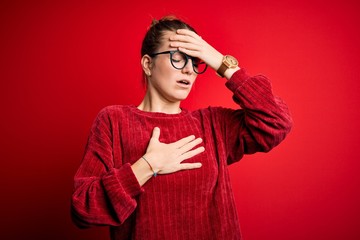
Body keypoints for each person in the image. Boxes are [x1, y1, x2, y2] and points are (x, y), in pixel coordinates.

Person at [71, 15, 292, 240]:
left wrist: (220, 61)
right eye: (178, 58)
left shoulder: (213, 124)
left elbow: (276, 121)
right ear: (148, 64)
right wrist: (148, 165)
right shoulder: (113, 121)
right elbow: (84, 208)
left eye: (195, 62)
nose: (189, 70)